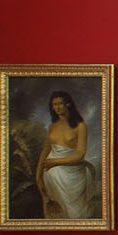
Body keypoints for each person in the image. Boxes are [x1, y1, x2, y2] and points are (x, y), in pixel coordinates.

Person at [35, 90, 98, 219]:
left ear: (68, 104)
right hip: (51, 173)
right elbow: (46, 149)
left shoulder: (80, 126)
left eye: (60, 104)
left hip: (72, 172)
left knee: (76, 213)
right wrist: (38, 174)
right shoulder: (52, 126)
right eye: (54, 104)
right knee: (56, 211)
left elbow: (80, 154)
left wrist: (56, 162)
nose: (57, 107)